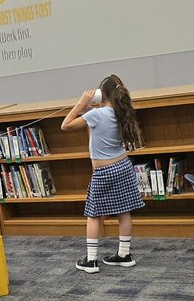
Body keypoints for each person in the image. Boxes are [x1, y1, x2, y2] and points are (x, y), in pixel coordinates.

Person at [61, 74, 145, 273]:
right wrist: (90, 110)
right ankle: (124, 255)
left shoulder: (96, 115)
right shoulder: (120, 112)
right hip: (123, 166)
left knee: (93, 214)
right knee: (124, 211)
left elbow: (65, 125)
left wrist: (82, 103)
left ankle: (91, 260)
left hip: (104, 171)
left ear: (102, 94)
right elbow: (102, 120)